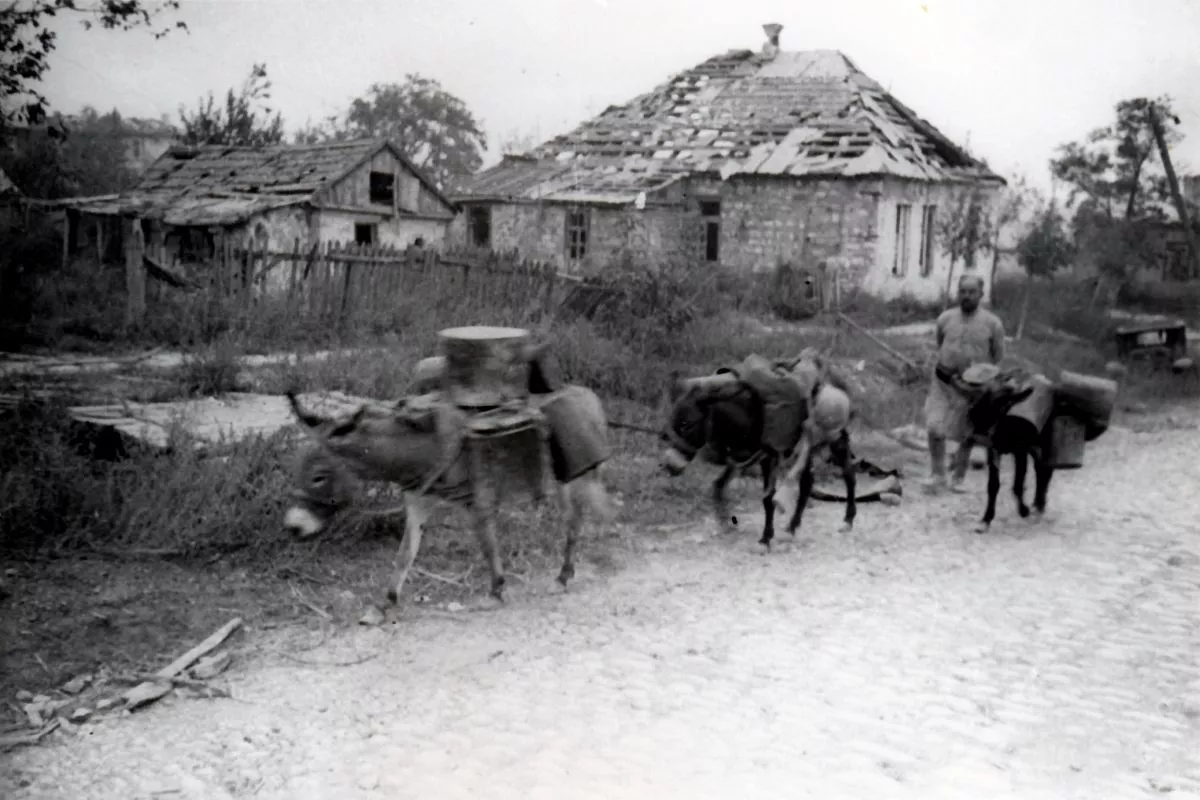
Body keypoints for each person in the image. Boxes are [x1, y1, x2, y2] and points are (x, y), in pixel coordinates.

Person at [923, 273, 1006, 494]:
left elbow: (997, 356)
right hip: (943, 382)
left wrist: (977, 377)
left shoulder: (993, 324)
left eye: (971, 292)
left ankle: (958, 477)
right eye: (962, 291)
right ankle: (937, 474)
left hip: (973, 388)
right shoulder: (945, 318)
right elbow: (940, 343)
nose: (966, 296)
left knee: (966, 434)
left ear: (981, 294)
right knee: (934, 426)